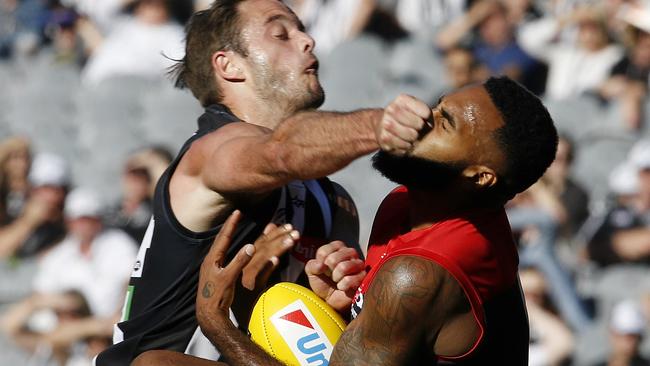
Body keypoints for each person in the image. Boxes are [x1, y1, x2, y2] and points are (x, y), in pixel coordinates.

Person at [95, 0, 427, 364]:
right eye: (281, 33)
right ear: (229, 65)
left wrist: (332, 305)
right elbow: (280, 151)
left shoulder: (335, 202)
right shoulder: (209, 154)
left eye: (301, 29)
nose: (308, 40)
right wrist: (381, 125)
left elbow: (332, 348)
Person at [148, 76, 558, 365]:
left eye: (443, 124)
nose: (420, 121)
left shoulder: (420, 273)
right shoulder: (408, 205)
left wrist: (218, 322)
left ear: (480, 176)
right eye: (437, 107)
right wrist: (346, 306)